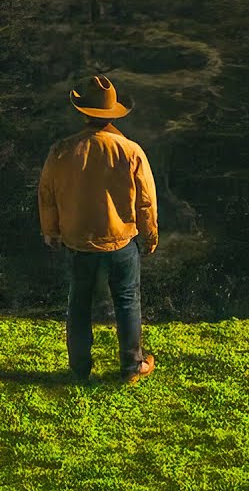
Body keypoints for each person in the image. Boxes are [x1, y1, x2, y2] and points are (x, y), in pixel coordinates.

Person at [38, 75, 159, 384]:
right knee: (127, 301)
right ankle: (132, 367)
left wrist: (51, 231)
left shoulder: (62, 150)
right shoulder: (130, 150)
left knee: (78, 304)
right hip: (120, 240)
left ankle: (79, 369)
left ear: (84, 114)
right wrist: (150, 235)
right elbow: (146, 200)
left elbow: (47, 194)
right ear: (113, 114)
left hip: (78, 241)